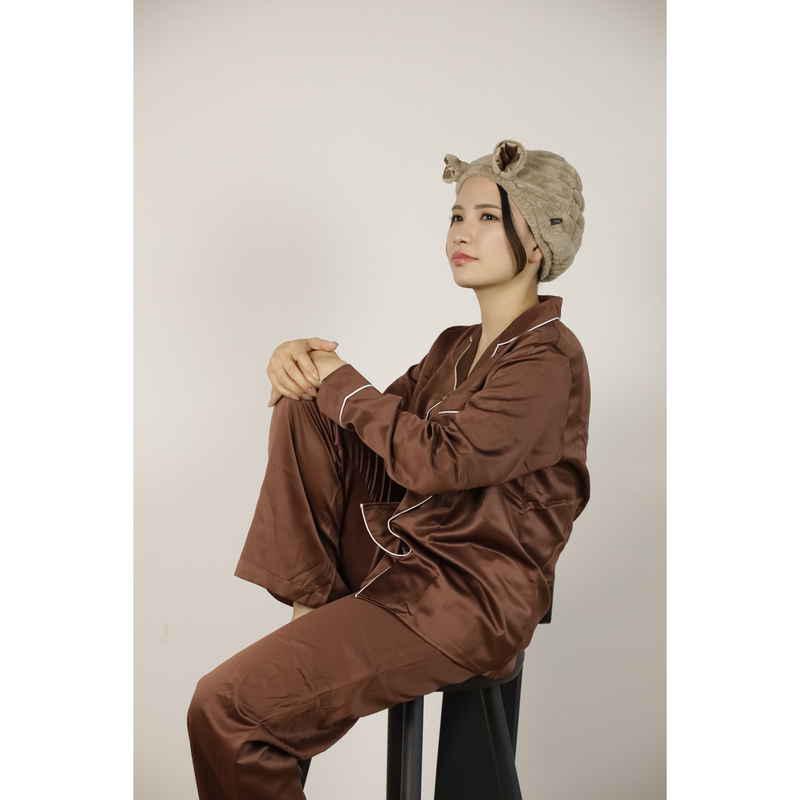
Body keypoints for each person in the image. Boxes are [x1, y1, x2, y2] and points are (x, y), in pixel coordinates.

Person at [187, 138, 591, 799]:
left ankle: (316, 615)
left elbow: (436, 460)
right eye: (456, 216)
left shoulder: (547, 360)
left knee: (227, 709)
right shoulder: (454, 347)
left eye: (488, 217)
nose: (461, 233)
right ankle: (314, 603)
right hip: (403, 569)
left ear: (539, 242)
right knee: (307, 405)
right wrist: (299, 365)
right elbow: (370, 433)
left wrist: (339, 381)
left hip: (463, 601)